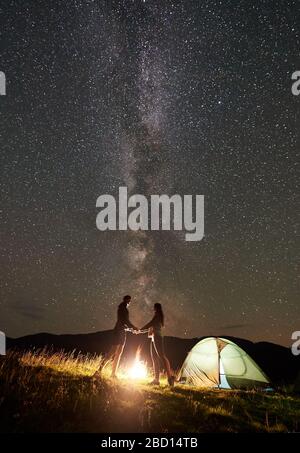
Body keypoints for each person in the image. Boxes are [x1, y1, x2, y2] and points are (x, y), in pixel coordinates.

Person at [95, 295, 138, 379]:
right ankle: (99, 370)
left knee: (118, 353)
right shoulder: (123, 309)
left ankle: (113, 374)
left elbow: (123, 323)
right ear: (127, 301)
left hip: (121, 331)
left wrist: (131, 329)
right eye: (129, 300)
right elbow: (125, 321)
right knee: (113, 352)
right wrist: (133, 327)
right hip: (119, 332)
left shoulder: (122, 308)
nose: (129, 302)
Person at [140, 303, 175, 386]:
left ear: (156, 308)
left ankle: (170, 378)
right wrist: (140, 331)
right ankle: (156, 380)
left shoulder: (157, 315)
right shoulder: (157, 316)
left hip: (157, 337)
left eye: (154, 307)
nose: (153, 309)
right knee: (154, 358)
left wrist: (140, 330)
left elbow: (150, 324)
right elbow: (151, 326)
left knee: (161, 356)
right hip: (153, 338)